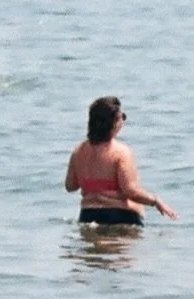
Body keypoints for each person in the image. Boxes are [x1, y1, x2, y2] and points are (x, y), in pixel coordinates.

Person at [64, 96, 177, 226]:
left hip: (88, 215)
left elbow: (70, 186)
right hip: (120, 216)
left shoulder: (78, 151)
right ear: (113, 122)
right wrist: (155, 201)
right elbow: (130, 191)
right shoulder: (121, 152)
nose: (123, 120)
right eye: (121, 117)